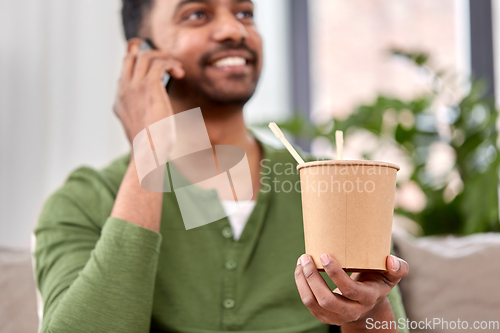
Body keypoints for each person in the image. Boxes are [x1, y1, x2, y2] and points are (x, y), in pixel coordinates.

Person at [33, 0, 409, 332]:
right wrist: (148, 153)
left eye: (245, 13)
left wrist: (366, 310)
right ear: (141, 54)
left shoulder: (335, 185)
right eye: (197, 14)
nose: (234, 29)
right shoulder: (84, 200)